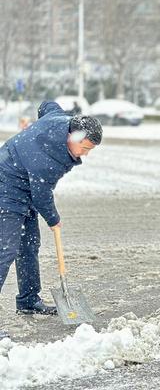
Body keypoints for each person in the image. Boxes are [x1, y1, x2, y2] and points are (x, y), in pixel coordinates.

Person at [0, 101, 102, 340]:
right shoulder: (49, 159)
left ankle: (28, 300)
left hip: (21, 182)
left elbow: (48, 105)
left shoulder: (60, 120)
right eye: (85, 148)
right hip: (7, 189)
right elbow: (41, 195)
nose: (85, 154)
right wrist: (54, 219)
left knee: (28, 246)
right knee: (5, 252)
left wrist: (38, 125)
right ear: (74, 137)